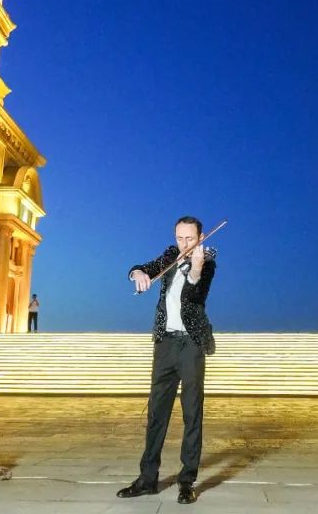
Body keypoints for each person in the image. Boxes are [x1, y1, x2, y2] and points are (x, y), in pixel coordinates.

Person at [117, 216, 217, 506]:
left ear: (201, 238)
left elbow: (196, 294)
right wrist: (137, 273)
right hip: (165, 343)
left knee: (192, 412)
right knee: (156, 412)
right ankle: (147, 479)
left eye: (190, 239)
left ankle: (186, 481)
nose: (184, 245)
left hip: (191, 344)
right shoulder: (171, 255)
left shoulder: (207, 262)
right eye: (180, 238)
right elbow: (145, 268)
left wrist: (195, 269)